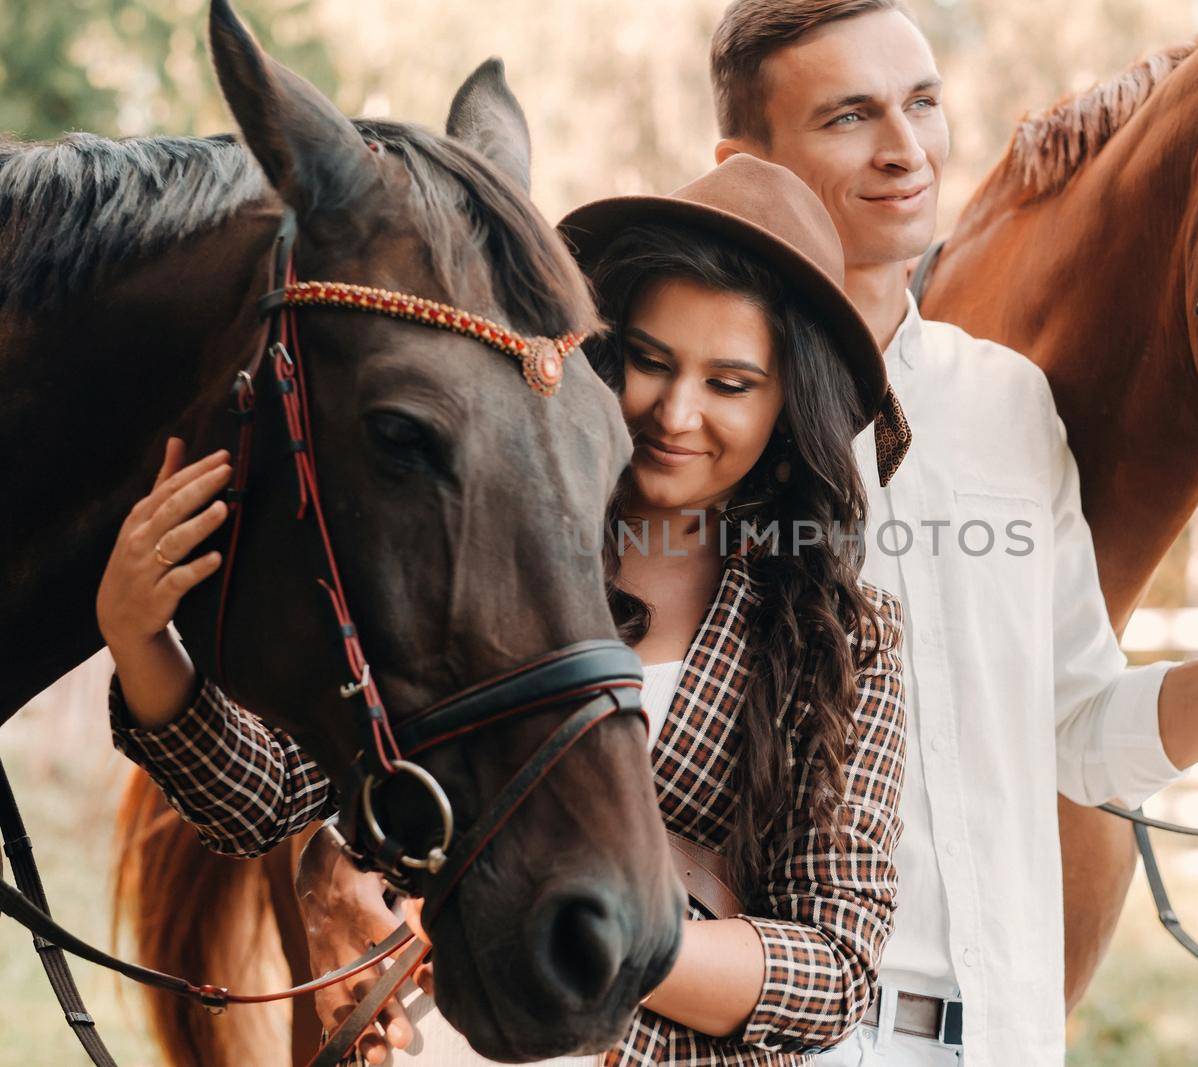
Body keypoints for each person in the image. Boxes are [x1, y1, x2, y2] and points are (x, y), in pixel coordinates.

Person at [694, 3, 1198, 1065]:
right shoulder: (689, 420)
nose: (905, 149)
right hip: (763, 1039)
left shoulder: (1006, 404)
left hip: (1003, 1039)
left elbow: (1087, 734)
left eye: (921, 102)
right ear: (745, 160)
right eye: (847, 117)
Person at [96, 154, 913, 1064]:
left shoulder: (845, 637)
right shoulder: (488, 545)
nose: (676, 413)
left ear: (786, 406)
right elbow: (270, 799)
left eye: (730, 384)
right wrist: (141, 641)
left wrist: (584, 923)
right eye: (649, 362)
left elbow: (836, 967)